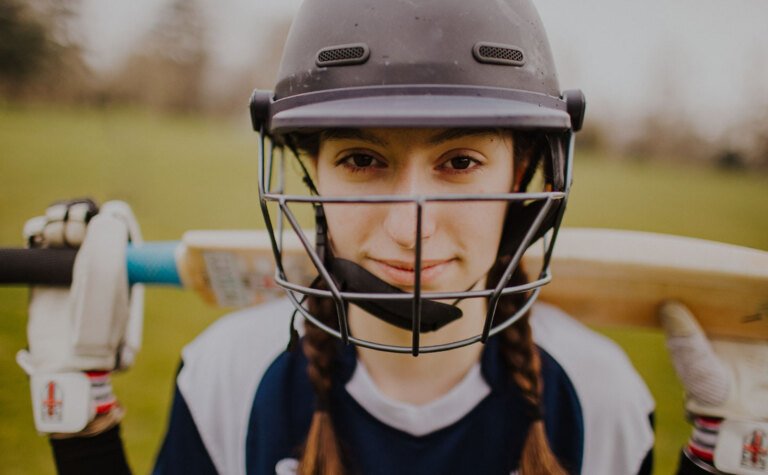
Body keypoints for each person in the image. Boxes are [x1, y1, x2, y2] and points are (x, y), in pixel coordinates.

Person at [29, 0, 749, 473]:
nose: (415, 218)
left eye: (460, 161)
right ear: (310, 170)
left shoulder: (598, 396)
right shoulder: (227, 373)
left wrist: (727, 450)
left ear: (527, 171)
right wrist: (79, 415)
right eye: (363, 160)